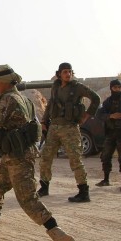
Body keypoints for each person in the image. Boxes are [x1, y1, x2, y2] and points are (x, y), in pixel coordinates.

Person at [0, 64, 74, 241]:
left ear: (5, 82)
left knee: (27, 199)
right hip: (14, 155)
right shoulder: (23, 99)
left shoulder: (9, 100)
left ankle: (57, 232)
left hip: (18, 157)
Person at [38, 62, 100, 202]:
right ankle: (44, 187)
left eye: (70, 72)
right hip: (54, 127)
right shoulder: (55, 87)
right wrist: (43, 121)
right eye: (65, 72)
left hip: (70, 128)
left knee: (75, 160)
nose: (68, 74)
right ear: (59, 73)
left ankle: (84, 191)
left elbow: (96, 98)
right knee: (45, 158)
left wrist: (87, 115)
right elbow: (50, 104)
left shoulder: (77, 87)